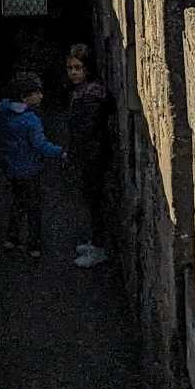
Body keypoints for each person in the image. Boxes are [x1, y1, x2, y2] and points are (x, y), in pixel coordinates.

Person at [0, 69, 63, 260]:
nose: (41, 96)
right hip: (30, 169)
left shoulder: (5, 111)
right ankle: (34, 245)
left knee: (18, 202)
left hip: (12, 168)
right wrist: (61, 152)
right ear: (25, 97)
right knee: (34, 208)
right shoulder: (30, 121)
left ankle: (11, 238)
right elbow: (40, 145)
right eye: (36, 92)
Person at [65, 42, 113, 268]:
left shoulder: (92, 95)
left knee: (95, 202)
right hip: (88, 154)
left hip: (93, 156)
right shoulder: (85, 92)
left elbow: (87, 129)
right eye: (70, 68)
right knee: (90, 200)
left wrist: (75, 152)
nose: (73, 72)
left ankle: (99, 248)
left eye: (78, 68)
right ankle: (95, 243)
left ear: (87, 69)